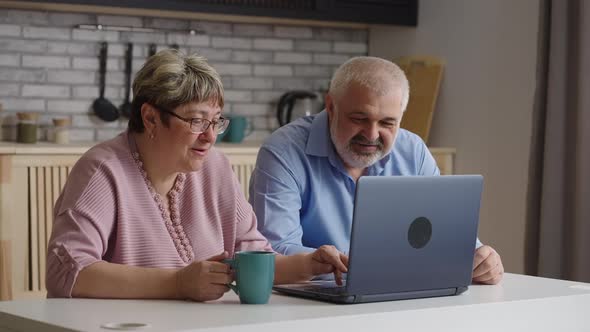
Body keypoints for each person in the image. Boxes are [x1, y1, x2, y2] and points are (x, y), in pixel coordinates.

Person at [46, 50, 347, 302]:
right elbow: (68, 272)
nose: (209, 137)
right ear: (150, 117)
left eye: (216, 122)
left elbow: (253, 258)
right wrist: (177, 283)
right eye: (196, 121)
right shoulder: (102, 170)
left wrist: (310, 264)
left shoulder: (215, 167)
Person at [249, 56, 503, 285]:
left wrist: (480, 259)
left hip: (397, 293)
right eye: (359, 119)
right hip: (313, 297)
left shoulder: (412, 151)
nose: (371, 135)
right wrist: (322, 264)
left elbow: (446, 234)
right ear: (331, 106)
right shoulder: (283, 150)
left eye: (387, 123)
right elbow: (273, 249)